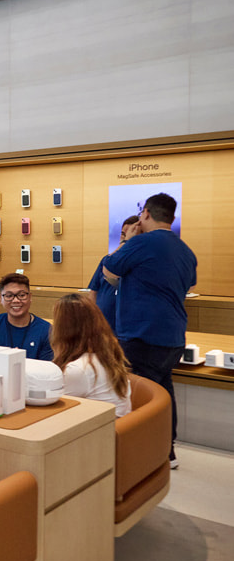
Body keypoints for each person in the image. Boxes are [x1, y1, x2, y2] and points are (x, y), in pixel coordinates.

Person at [103, 193, 196, 468]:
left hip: (142, 336)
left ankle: (140, 458)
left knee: (137, 396)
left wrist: (127, 241)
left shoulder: (140, 243)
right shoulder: (185, 251)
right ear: (172, 218)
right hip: (173, 338)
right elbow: (188, 285)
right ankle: (167, 452)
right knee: (163, 392)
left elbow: (110, 267)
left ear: (145, 214)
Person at [50, 294, 132, 417]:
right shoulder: (105, 356)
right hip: (115, 424)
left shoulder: (78, 370)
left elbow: (54, 411)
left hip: (103, 427)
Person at [0, 273, 53, 372]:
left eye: (22, 295)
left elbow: (48, 371)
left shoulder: (46, 330)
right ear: (1, 299)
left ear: (30, 297)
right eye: (9, 296)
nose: (16, 300)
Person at [87, 215, 140, 331]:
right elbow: (93, 292)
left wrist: (127, 243)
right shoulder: (107, 261)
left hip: (127, 329)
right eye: (123, 234)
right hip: (102, 327)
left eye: (130, 235)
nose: (124, 238)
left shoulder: (141, 265)